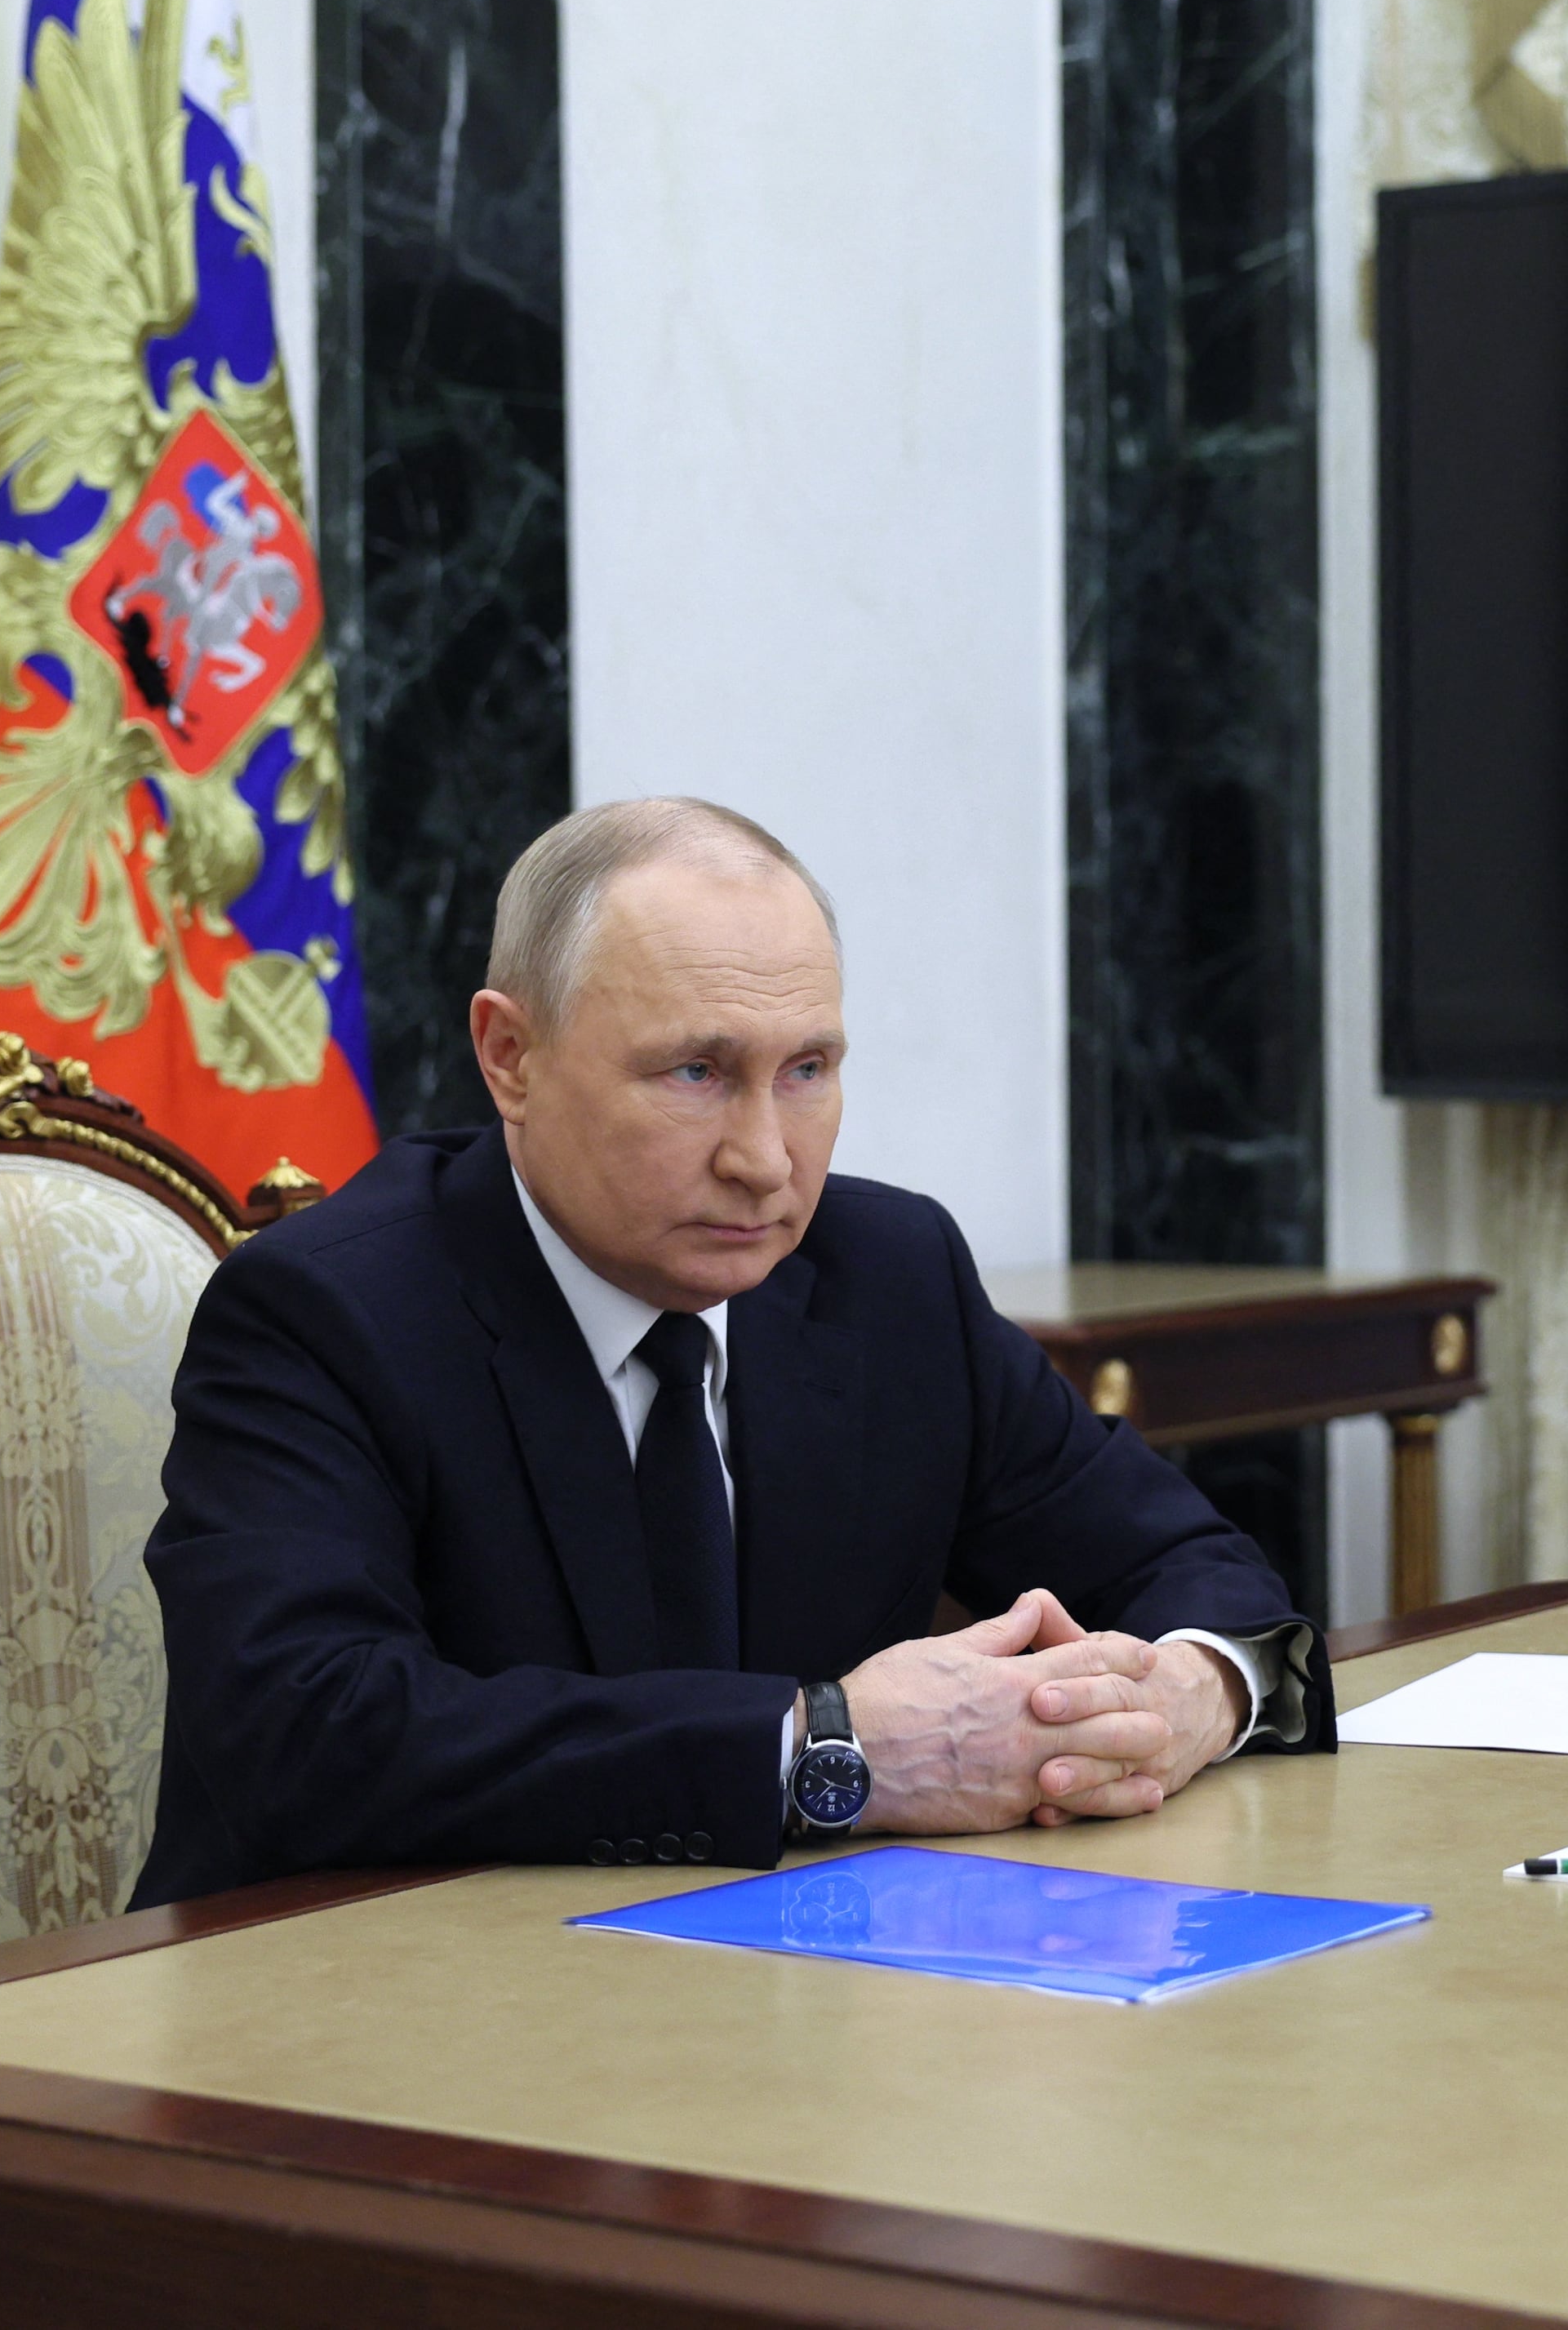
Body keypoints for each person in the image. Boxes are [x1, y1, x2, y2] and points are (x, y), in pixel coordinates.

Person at [130, 798, 1326, 1905]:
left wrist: (1194, 1692)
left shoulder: (890, 1276)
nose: (763, 1159)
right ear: (511, 1058)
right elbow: (302, 1733)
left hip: (799, 1987)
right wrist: (825, 1746)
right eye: (697, 1072)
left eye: (807, 1070)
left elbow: (1187, 1562)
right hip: (371, 1994)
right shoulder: (325, 1311)